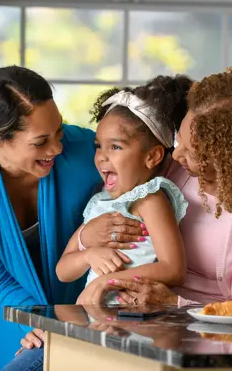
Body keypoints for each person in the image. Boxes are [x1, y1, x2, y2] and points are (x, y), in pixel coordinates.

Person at [0, 66, 145, 371]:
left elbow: (147, 184)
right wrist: (34, 322)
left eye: (60, 130)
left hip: (64, 286)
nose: (57, 148)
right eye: (40, 141)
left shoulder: (85, 151)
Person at [76, 67, 232, 308]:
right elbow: (118, 146)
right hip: (137, 319)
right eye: (178, 140)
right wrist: (84, 238)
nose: (176, 154)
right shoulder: (170, 169)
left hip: (213, 337)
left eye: (193, 153)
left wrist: (177, 303)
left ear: (229, 161)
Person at [55, 86, 190, 305]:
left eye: (115, 147)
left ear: (152, 156)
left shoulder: (150, 199)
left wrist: (107, 281)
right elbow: (63, 271)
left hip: (134, 319)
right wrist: (88, 255)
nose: (101, 157)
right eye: (98, 146)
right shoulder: (101, 203)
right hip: (96, 317)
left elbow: (173, 269)